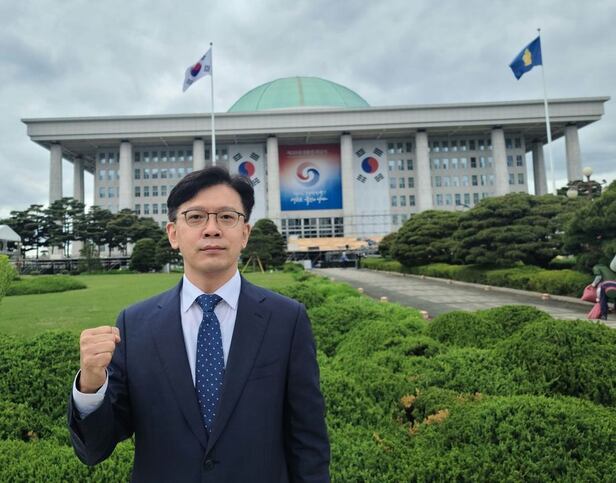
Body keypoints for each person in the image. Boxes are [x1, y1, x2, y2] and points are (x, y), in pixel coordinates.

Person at [68, 167, 330, 482]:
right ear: (173, 234)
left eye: (227, 217)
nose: (212, 229)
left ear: (245, 233)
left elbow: (308, 443)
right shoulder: (135, 325)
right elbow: (94, 449)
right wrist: (91, 385)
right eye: (195, 217)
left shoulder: (286, 320)